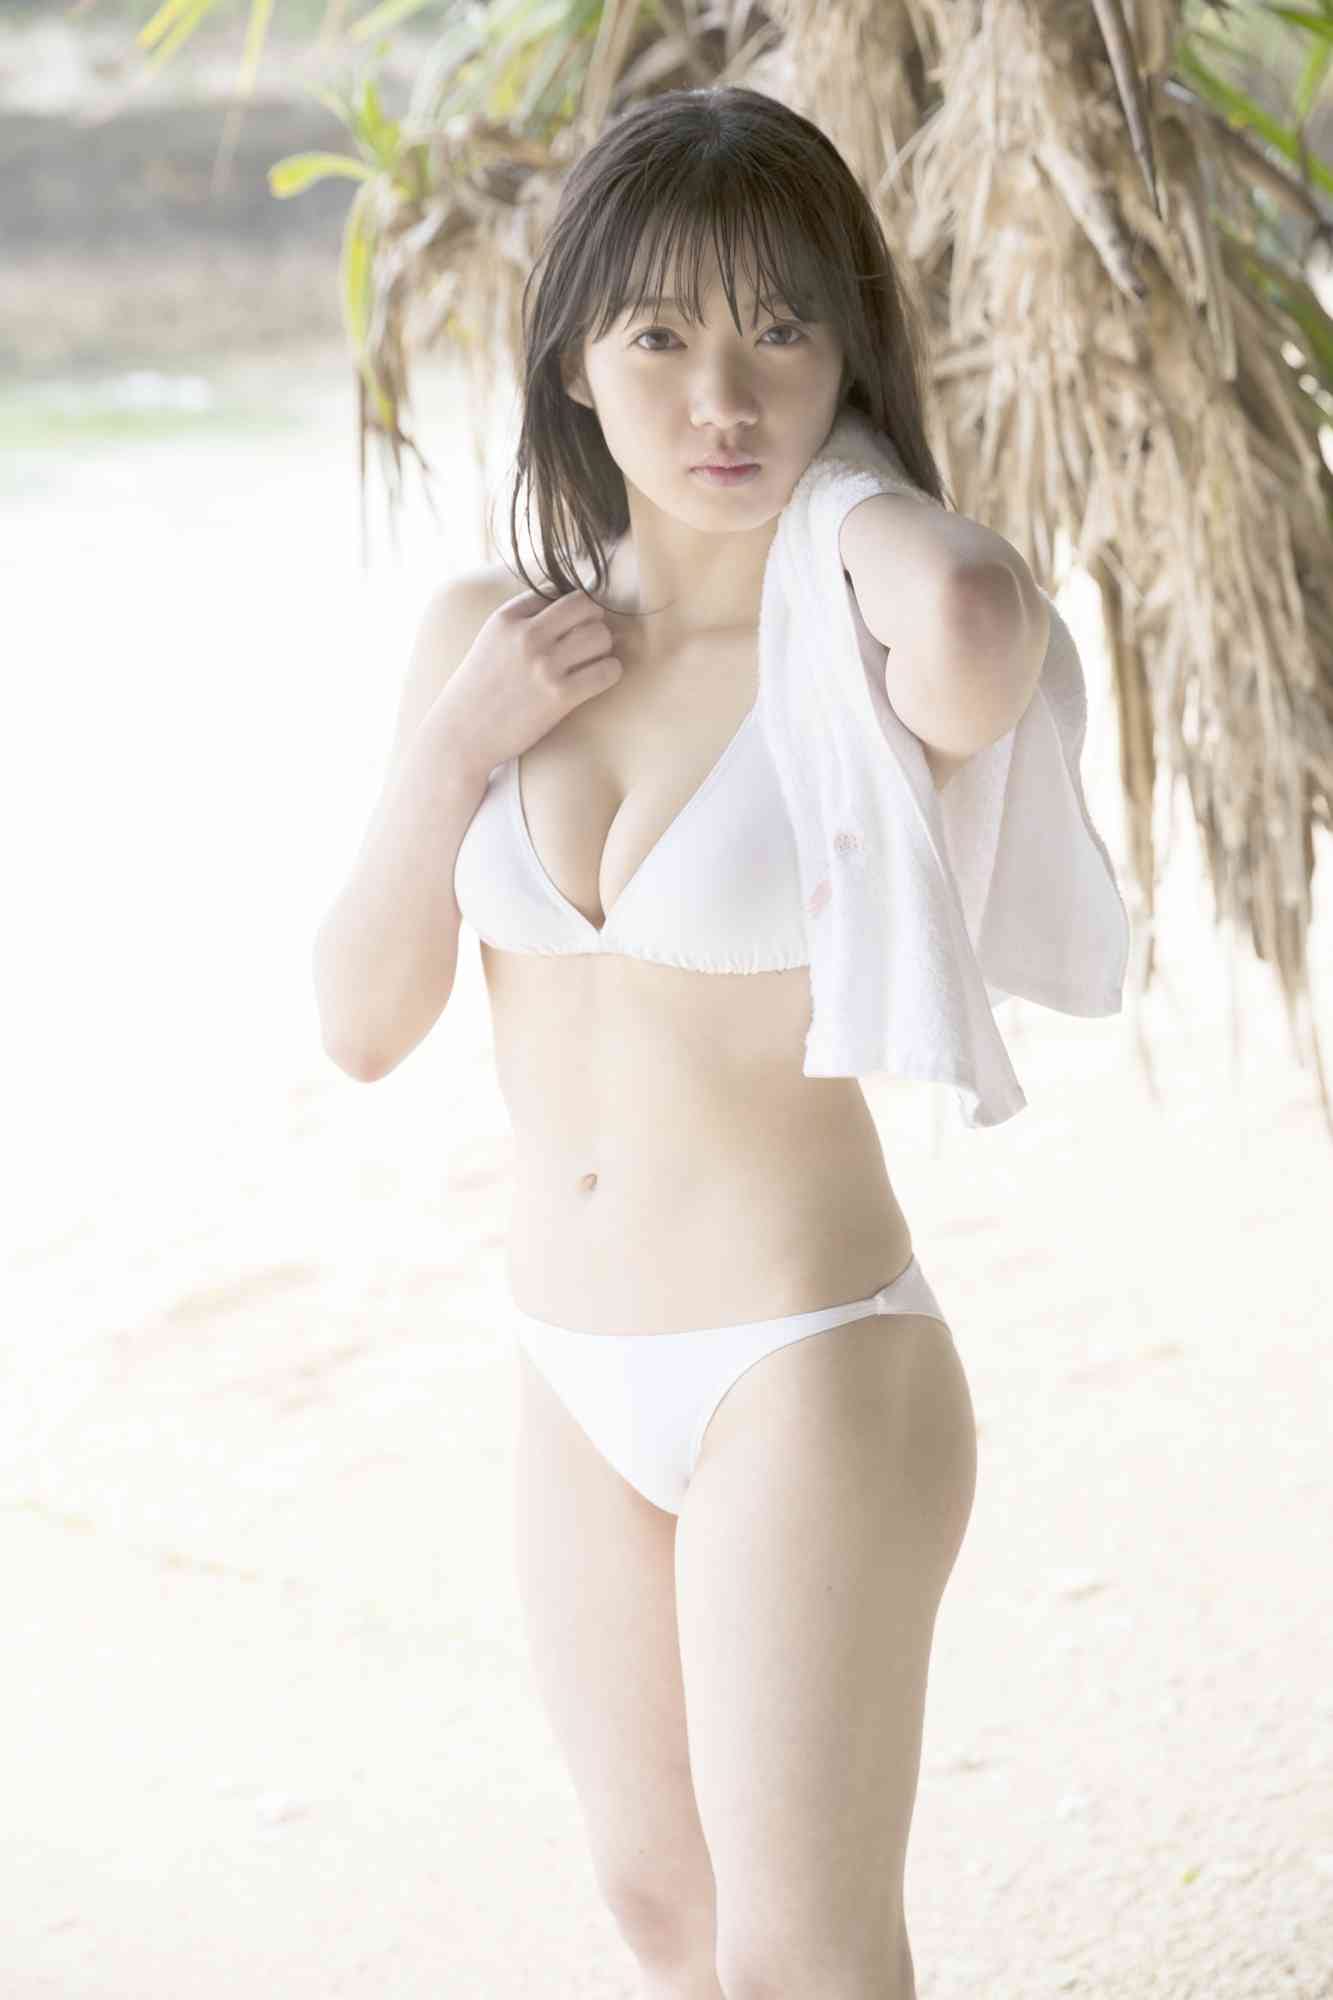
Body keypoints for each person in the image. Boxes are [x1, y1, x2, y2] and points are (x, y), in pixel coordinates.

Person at [314, 84, 987, 2000]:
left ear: (849, 358)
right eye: (661, 336)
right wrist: (458, 741)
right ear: (571, 364)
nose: (722, 397)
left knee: (801, 1956)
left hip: (806, 1358)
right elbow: (362, 1025)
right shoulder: (485, 637)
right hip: (570, 1361)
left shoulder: (867, 651)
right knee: (660, 1916)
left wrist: (849, 492)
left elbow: (974, 613)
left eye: (781, 330)